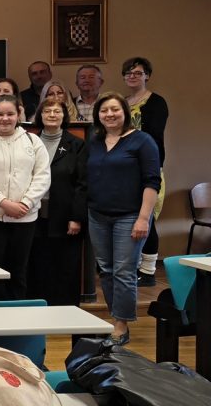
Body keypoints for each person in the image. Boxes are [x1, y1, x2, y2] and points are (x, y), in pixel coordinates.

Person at [88, 92, 160, 345]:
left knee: (124, 271)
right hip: (97, 215)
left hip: (130, 217)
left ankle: (121, 325)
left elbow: (152, 182)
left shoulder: (143, 141)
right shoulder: (95, 140)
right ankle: (114, 316)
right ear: (98, 114)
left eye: (114, 110)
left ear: (125, 113)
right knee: (106, 270)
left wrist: (143, 219)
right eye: (104, 110)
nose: (109, 114)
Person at [0, 95, 50, 301]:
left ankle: (17, 318)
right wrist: (3, 203)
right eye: (0, 114)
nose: (5, 118)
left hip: (25, 217)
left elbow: (42, 175)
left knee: (18, 269)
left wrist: (25, 203)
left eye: (10, 114)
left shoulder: (33, 141)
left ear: (19, 114)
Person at [27, 97, 88, 307]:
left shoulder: (76, 145)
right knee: (37, 263)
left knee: (64, 266)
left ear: (64, 116)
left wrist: (76, 217)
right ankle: (38, 306)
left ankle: (65, 309)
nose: (52, 115)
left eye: (57, 111)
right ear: (40, 116)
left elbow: (82, 184)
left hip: (64, 216)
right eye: (47, 111)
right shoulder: (29, 142)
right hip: (32, 215)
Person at [122, 56, 169, 287]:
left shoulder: (156, 102)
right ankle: (134, 267)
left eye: (138, 73)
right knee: (130, 218)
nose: (133, 76)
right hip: (124, 170)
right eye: (129, 73)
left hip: (146, 167)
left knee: (146, 218)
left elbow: (154, 136)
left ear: (147, 76)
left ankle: (149, 271)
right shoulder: (123, 102)